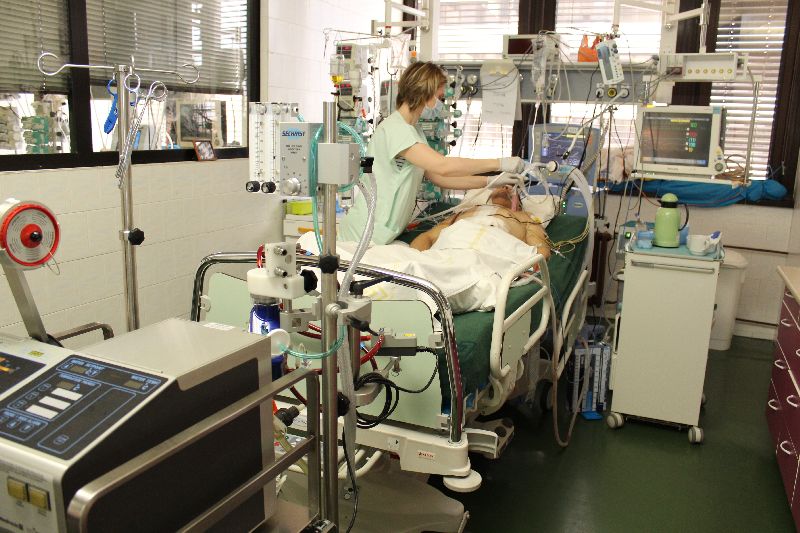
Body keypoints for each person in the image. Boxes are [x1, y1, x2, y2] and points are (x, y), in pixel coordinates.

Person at [339, 61, 526, 244]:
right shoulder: (396, 129)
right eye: (440, 97)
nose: (440, 104)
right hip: (363, 232)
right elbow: (442, 166)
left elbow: (440, 177)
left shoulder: (414, 130)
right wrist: (499, 163)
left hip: (381, 231)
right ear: (424, 93)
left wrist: (491, 181)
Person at [408, 186, 550, 259]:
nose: (505, 188)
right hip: (456, 239)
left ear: (518, 204)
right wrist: (415, 259)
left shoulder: (523, 216)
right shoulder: (465, 212)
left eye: (511, 187)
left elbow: (540, 249)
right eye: (501, 185)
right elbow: (427, 237)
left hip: (494, 246)